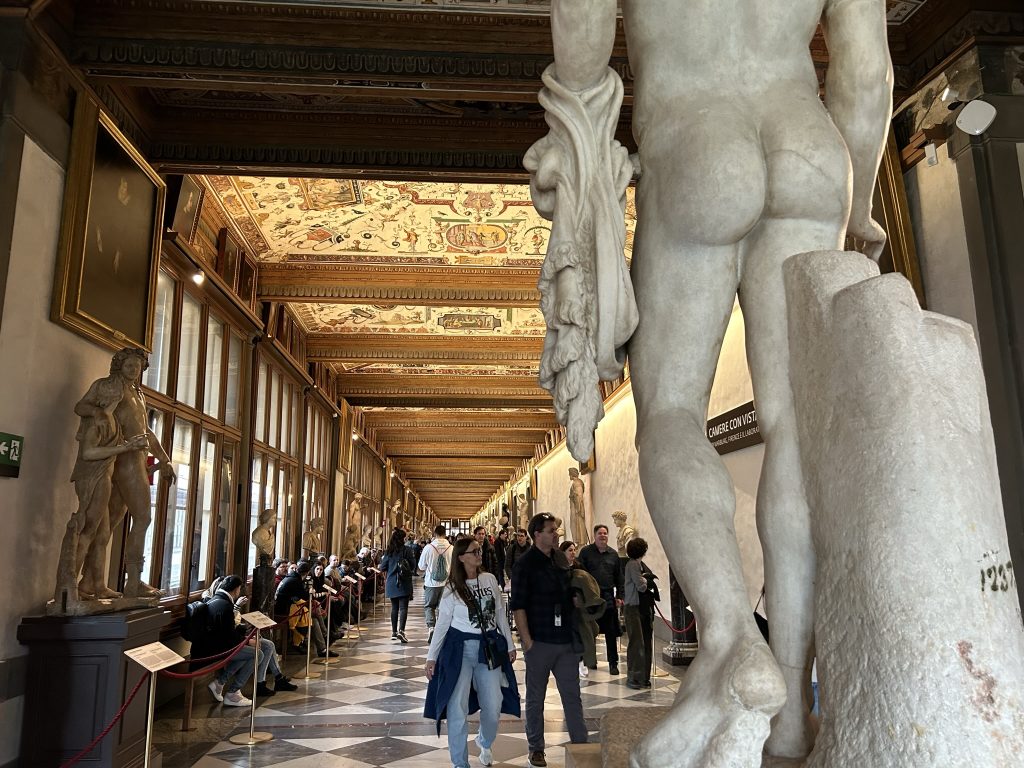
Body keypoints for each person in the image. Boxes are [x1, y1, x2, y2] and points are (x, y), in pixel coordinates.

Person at [526, 1, 892, 761]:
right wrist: (856, 205)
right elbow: (864, 71)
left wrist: (581, 148)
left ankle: (730, 636)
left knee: (669, 411)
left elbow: (584, 40)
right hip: (811, 146)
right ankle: (792, 711)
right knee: (795, 424)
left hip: (697, 140)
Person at [76, 348, 176, 598]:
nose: (134, 370)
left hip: (134, 455)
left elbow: (146, 432)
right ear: (119, 365)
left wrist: (164, 459)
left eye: (138, 366)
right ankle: (133, 581)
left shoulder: (138, 394)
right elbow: (81, 406)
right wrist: (98, 412)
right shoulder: (108, 386)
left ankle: (89, 582)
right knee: (143, 518)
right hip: (125, 457)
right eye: (129, 365)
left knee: (105, 525)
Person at [424, 536, 520, 768]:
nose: (479, 554)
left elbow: (499, 614)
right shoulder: (451, 588)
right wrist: (431, 657)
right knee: (457, 706)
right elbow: (442, 625)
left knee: (494, 702)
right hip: (459, 650)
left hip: (487, 647)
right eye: (474, 551)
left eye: (479, 550)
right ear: (461, 557)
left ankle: (484, 741)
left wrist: (509, 643)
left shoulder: (489, 579)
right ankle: (460, 762)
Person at [511, 513, 588, 768]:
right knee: (535, 698)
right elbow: (518, 606)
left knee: (572, 697)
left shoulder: (560, 560)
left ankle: (581, 745)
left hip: (565, 641)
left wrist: (576, 598)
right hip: (540, 641)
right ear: (537, 534)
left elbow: (569, 592)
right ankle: (536, 749)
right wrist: (527, 642)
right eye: (551, 530)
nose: (556, 533)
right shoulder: (524, 564)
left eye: (556, 529)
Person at [68, 376, 148, 601]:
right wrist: (124, 448)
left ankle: (97, 585)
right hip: (94, 477)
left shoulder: (112, 422)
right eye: (115, 394)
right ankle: (69, 586)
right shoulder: (98, 422)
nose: (120, 395)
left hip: (105, 476)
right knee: (89, 530)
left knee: (102, 534)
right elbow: (88, 453)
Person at [191, 575, 260, 707]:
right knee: (257, 654)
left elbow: (225, 632)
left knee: (249, 653)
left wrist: (243, 637)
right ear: (236, 589)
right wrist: (247, 641)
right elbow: (229, 637)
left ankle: (220, 683)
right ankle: (232, 693)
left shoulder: (217, 600)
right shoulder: (225, 606)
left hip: (207, 647)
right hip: (215, 650)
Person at [576, 525, 623, 674]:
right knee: (590, 630)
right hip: (591, 597)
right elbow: (579, 573)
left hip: (608, 596)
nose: (603, 536)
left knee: (610, 631)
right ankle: (590, 661)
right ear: (594, 535)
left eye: (605, 533)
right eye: (600, 533)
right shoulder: (586, 552)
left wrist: (620, 596)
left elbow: (619, 577)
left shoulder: (613, 554)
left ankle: (613, 663)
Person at [274, 560, 337, 658]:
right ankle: (323, 642)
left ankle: (322, 647)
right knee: (314, 616)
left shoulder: (292, 577)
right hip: (284, 611)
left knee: (314, 619)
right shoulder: (295, 580)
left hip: (287, 607)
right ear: (307, 572)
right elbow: (305, 596)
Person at [560, 541, 604, 679]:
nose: (573, 553)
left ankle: (582, 662)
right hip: (565, 609)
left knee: (582, 635)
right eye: (570, 550)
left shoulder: (580, 568)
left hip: (580, 610)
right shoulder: (559, 569)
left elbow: (588, 585)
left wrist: (584, 599)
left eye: (574, 550)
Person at [623, 537, 657, 690]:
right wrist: (645, 579)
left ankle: (644, 677)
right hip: (633, 607)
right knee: (637, 643)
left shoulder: (638, 564)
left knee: (646, 642)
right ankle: (634, 677)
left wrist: (644, 580)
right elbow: (641, 586)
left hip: (643, 608)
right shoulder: (633, 565)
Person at [380, 527, 417, 642]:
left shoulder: (389, 551)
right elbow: (412, 565)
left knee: (394, 608)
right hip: (404, 581)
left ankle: (394, 632)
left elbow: (382, 567)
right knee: (403, 608)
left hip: (391, 582)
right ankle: (401, 631)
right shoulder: (407, 550)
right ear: (403, 539)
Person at [418, 524, 453, 642]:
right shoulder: (451, 548)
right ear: (445, 534)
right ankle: (442, 631)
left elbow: (421, 566)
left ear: (435, 533)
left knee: (429, 606)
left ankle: (431, 628)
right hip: (446, 583)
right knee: (443, 608)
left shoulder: (429, 547)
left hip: (431, 583)